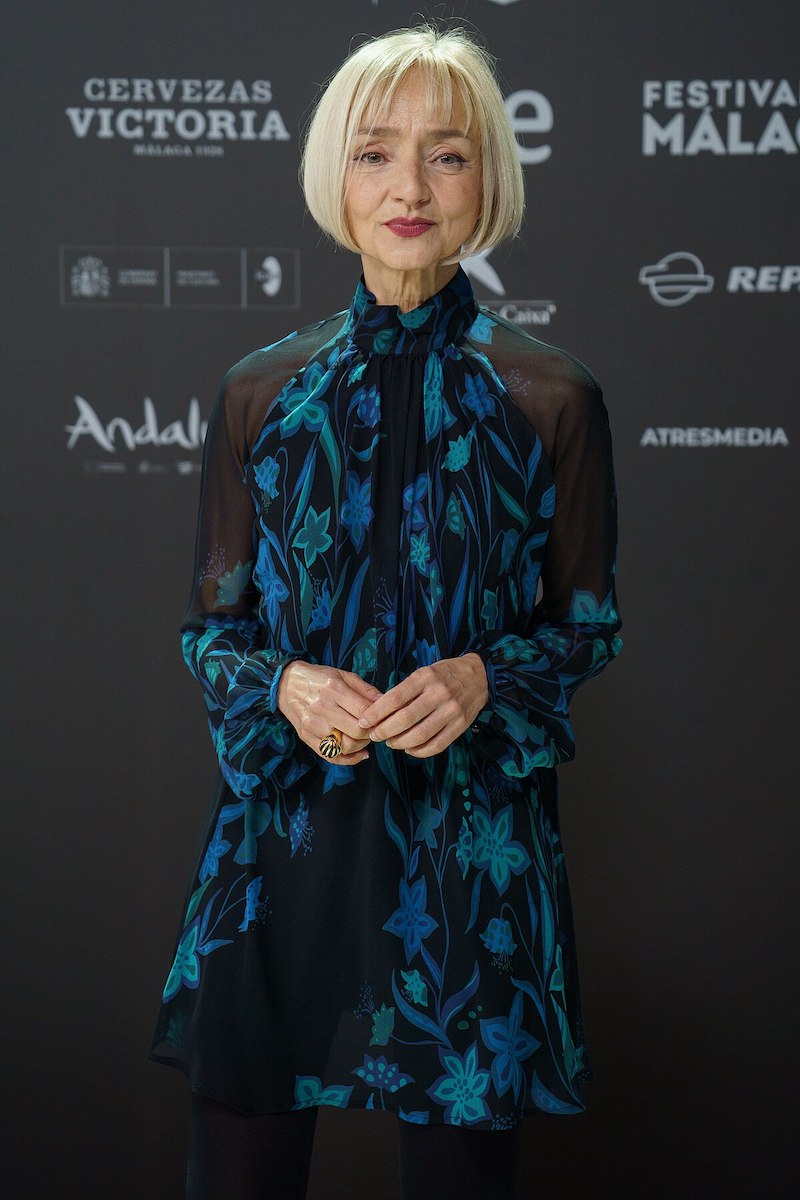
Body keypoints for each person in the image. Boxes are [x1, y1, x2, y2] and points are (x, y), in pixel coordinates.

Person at [149, 24, 622, 1200]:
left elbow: (585, 624)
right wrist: (282, 683)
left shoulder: (552, 397)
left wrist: (484, 677)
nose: (409, 186)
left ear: (484, 181)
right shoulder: (260, 392)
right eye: (375, 153)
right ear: (336, 176)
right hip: (281, 841)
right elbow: (211, 628)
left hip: (471, 853)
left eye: (445, 155)